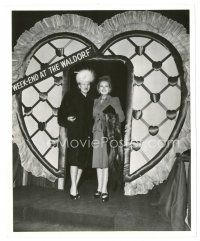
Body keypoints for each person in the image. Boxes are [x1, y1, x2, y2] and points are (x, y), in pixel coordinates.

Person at [58, 69, 94, 200]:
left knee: (82, 162)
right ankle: (73, 188)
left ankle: (75, 185)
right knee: (74, 159)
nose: (86, 86)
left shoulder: (91, 99)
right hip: (75, 132)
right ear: (79, 85)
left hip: (87, 134)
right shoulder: (71, 95)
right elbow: (61, 112)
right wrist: (67, 118)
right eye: (83, 84)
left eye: (88, 84)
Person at [92, 76, 125, 202]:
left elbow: (121, 118)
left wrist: (110, 114)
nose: (104, 88)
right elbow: (93, 117)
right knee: (97, 162)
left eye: (106, 86)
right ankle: (99, 188)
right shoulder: (95, 101)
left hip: (108, 134)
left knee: (106, 162)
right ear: (98, 88)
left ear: (110, 88)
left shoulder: (114, 100)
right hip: (97, 133)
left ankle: (104, 189)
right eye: (101, 86)